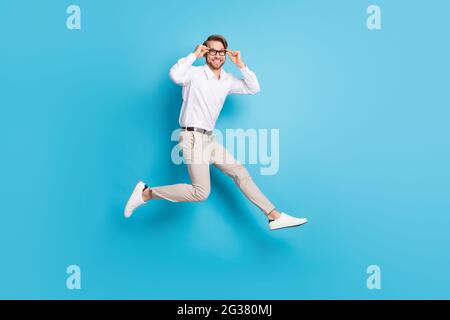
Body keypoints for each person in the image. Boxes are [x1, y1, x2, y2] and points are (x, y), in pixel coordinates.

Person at [124, 35, 307, 230]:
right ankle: (146, 193)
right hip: (192, 137)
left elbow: (254, 87)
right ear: (205, 52)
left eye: (221, 52)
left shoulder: (227, 80)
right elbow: (175, 75)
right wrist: (193, 55)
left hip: (209, 139)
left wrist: (241, 65)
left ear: (226, 54)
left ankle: (274, 216)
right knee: (201, 192)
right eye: (212, 51)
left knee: (240, 172)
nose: (217, 56)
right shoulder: (193, 74)